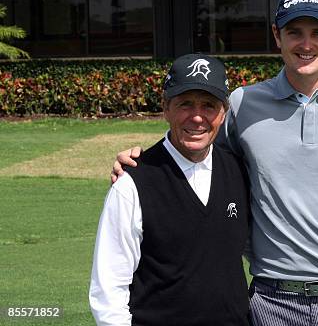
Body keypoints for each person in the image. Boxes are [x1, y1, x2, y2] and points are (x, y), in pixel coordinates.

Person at [112, 0, 318, 325]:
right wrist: (143, 166)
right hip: (270, 302)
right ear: (277, 35)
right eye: (294, 31)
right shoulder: (243, 104)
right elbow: (201, 162)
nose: (306, 44)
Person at [90, 54, 250, 326]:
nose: (197, 117)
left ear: (223, 113)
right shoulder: (132, 183)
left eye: (209, 105)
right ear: (166, 108)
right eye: (185, 104)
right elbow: (109, 287)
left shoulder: (240, 170)